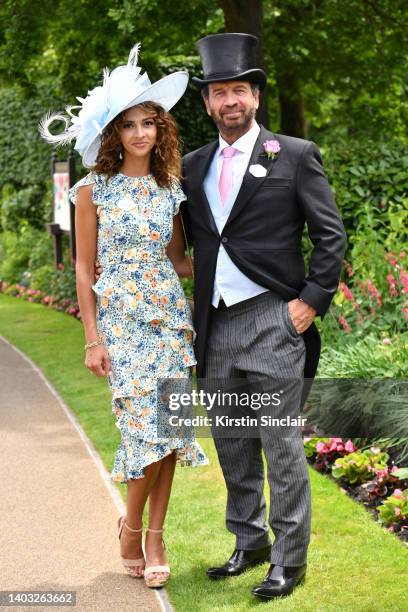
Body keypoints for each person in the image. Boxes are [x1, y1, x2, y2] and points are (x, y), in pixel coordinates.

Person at [179, 33, 347, 599]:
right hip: (215, 325)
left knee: (280, 446)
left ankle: (289, 558)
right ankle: (248, 542)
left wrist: (310, 301)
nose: (230, 101)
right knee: (232, 445)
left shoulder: (294, 155)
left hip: (275, 319)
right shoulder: (193, 165)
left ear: (254, 96)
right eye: (219, 92)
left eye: (239, 90)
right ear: (207, 103)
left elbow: (331, 237)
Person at [39, 43, 208, 589]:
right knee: (145, 432)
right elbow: (84, 267)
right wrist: (93, 339)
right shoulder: (93, 191)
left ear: (160, 130)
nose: (141, 133)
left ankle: (151, 534)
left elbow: (178, 260)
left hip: (169, 321)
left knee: (172, 432)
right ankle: (132, 529)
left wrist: (239, 254)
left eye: (149, 124)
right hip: (123, 324)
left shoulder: (168, 189)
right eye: (129, 125)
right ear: (114, 134)